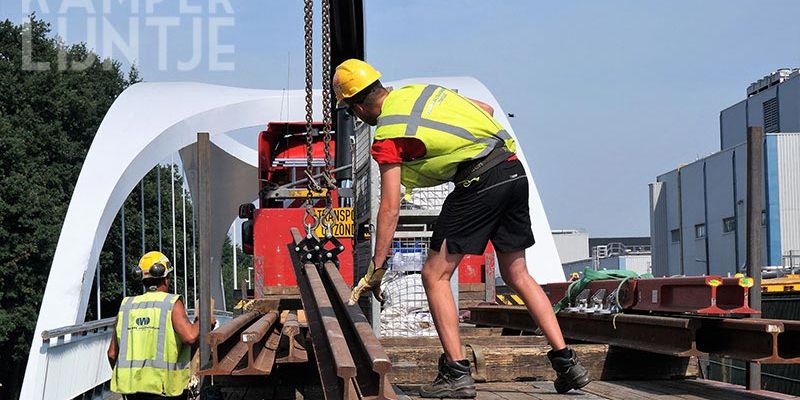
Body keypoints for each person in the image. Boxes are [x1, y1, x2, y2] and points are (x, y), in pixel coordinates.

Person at [338, 59, 590, 398]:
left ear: (356, 107)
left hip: (479, 182)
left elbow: (390, 206)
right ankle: (568, 364)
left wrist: (377, 267)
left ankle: (457, 372)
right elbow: (485, 108)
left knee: (434, 274)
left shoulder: (387, 133)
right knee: (518, 273)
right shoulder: (419, 92)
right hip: (512, 171)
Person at [107, 251, 207, 400]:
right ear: (166, 278)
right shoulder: (171, 303)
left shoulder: (126, 306)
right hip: (165, 388)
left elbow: (112, 354)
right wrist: (204, 322)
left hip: (132, 390)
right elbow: (190, 336)